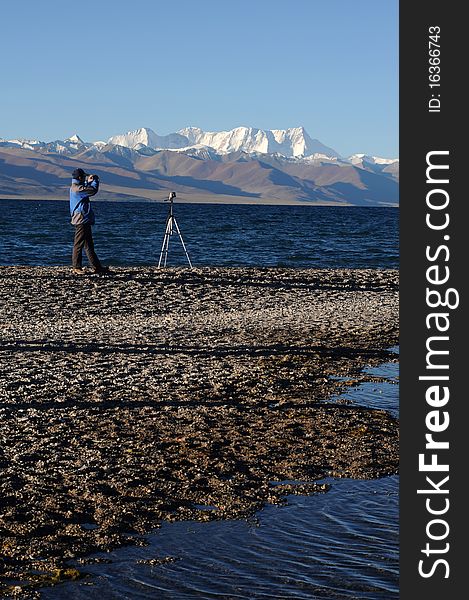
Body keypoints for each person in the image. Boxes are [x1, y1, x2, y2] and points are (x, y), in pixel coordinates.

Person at [69, 168, 109, 274]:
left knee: (88, 245)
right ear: (80, 177)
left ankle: (97, 267)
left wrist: (88, 182)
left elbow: (85, 188)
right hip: (81, 219)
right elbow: (92, 190)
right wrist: (95, 180)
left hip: (82, 218)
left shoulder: (75, 188)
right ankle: (76, 267)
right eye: (84, 177)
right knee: (79, 244)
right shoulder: (78, 189)